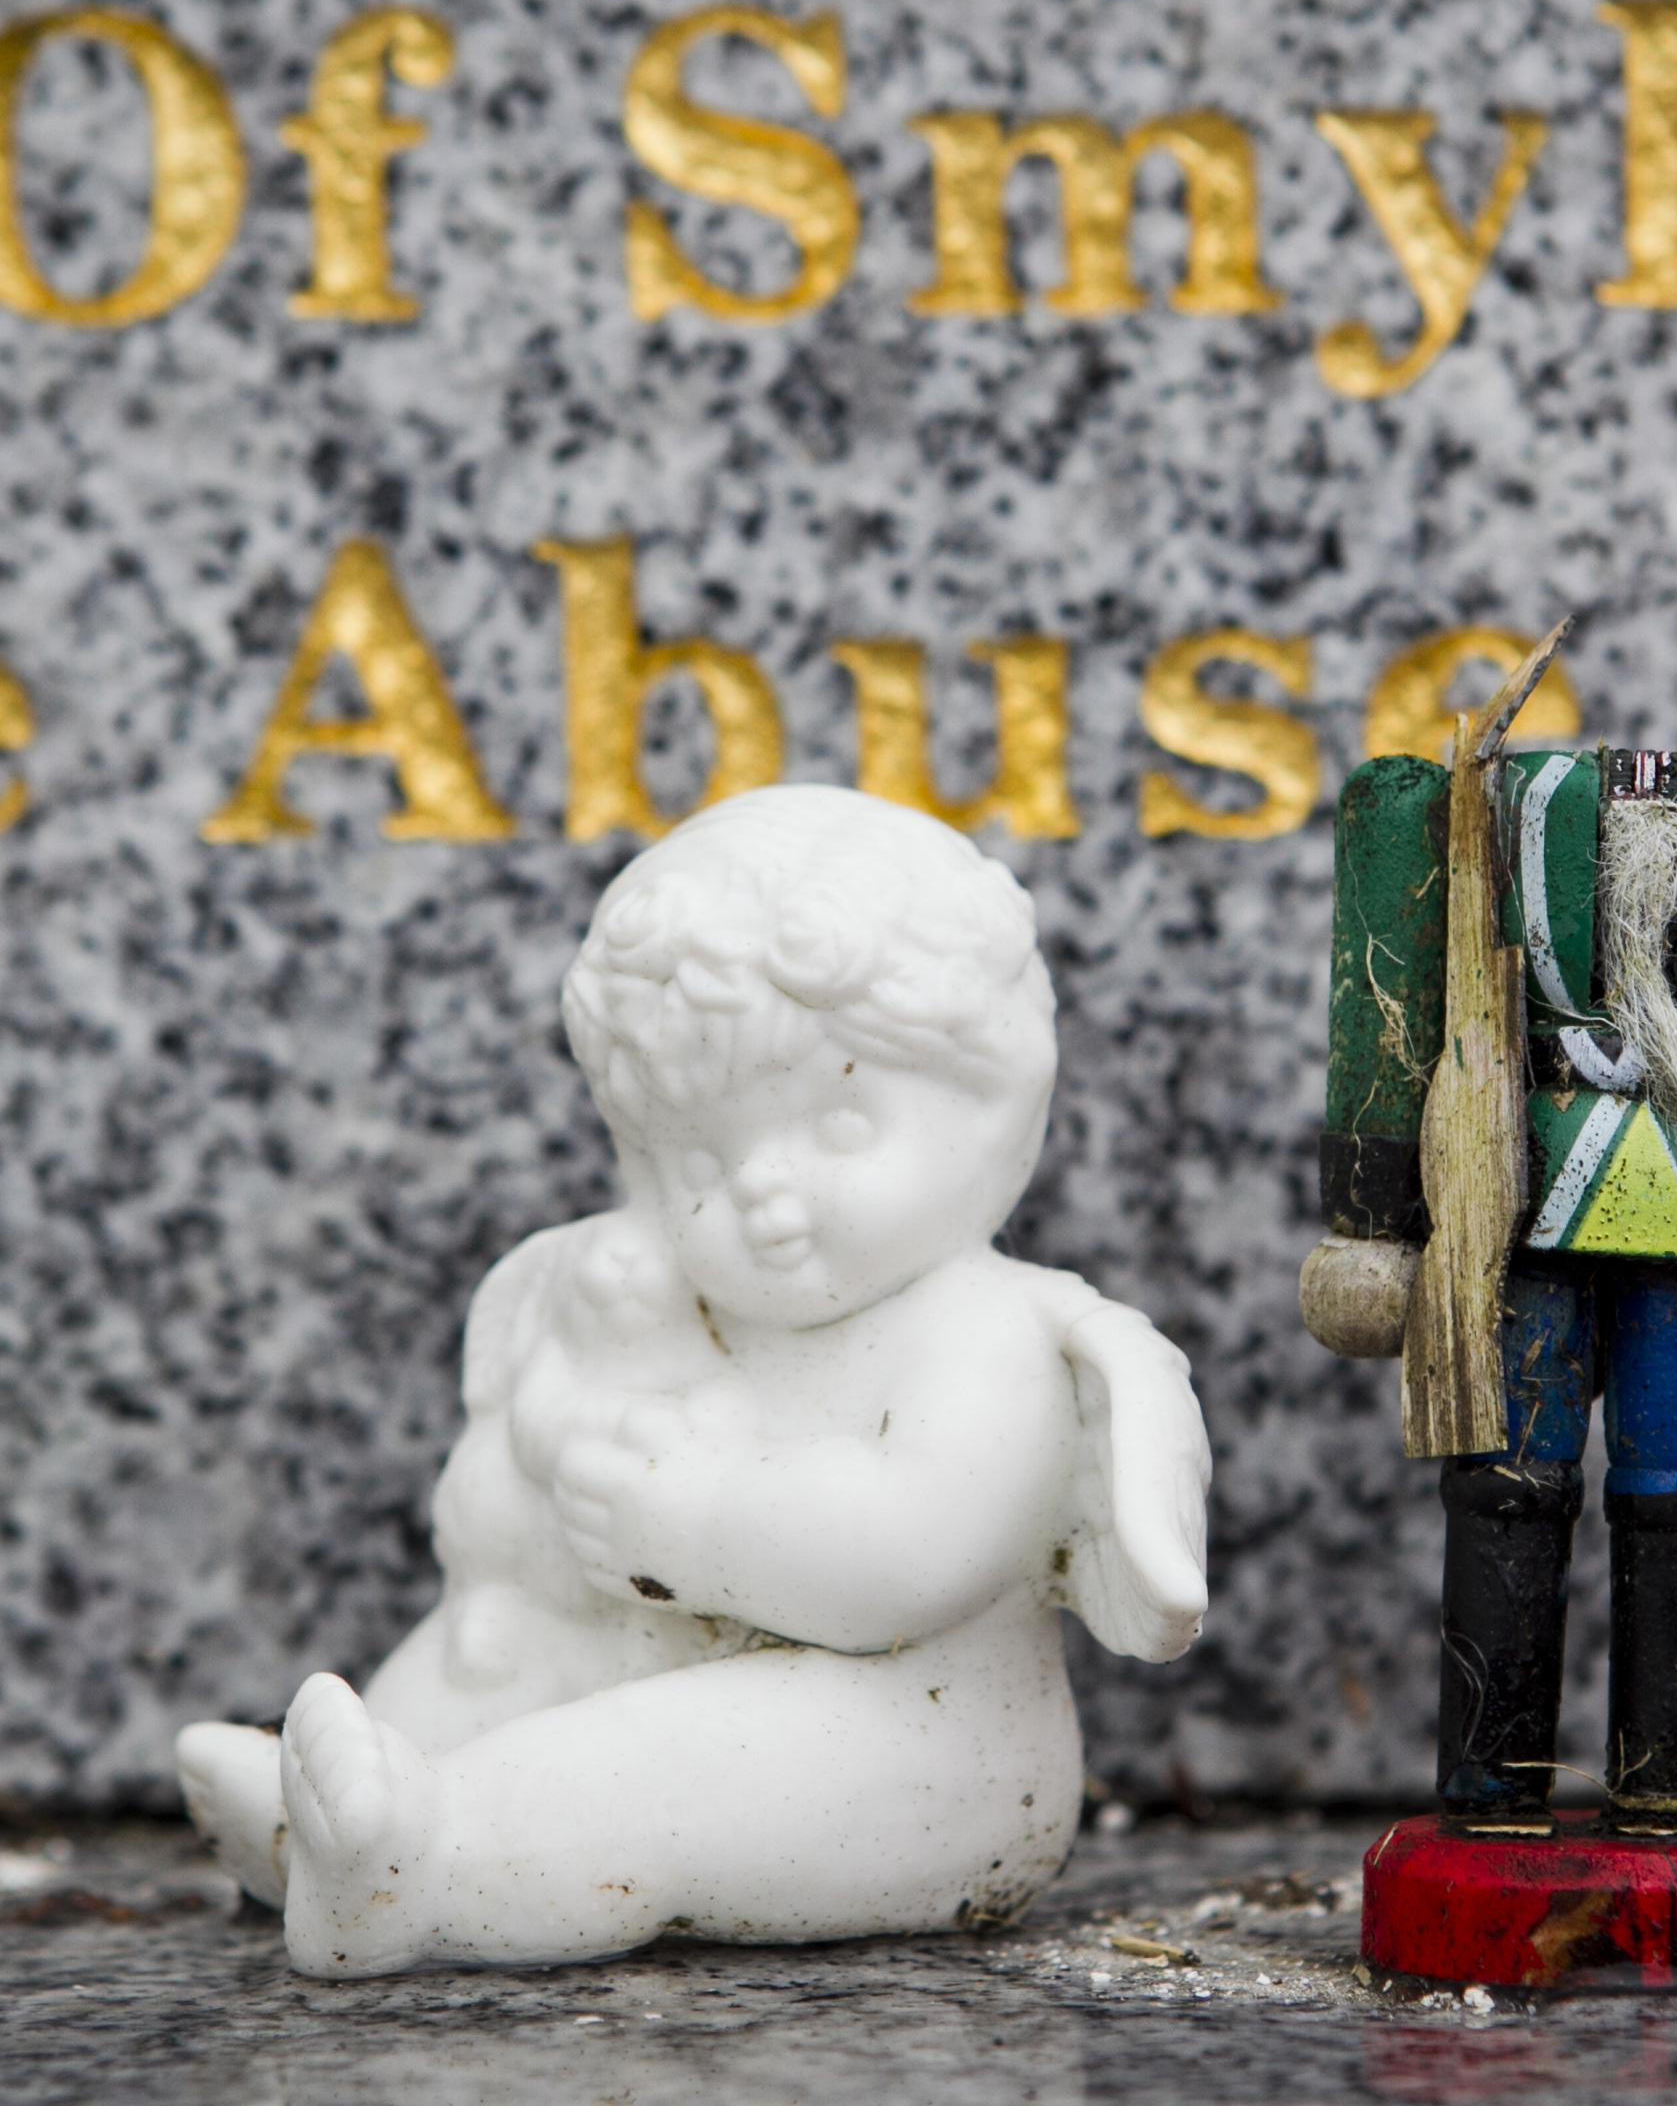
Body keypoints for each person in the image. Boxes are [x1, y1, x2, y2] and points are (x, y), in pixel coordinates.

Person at [174, 785, 1208, 1975]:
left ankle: (422, 1871)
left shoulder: (997, 1336)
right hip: (718, 1660)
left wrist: (692, 1520)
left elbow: (905, 1559)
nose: (763, 1195)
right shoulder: (682, 1298)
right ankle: (343, 1813)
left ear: (994, 1098)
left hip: (915, 1753)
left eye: (838, 1127)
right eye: (704, 1160)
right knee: (536, 1650)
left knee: (654, 1767)